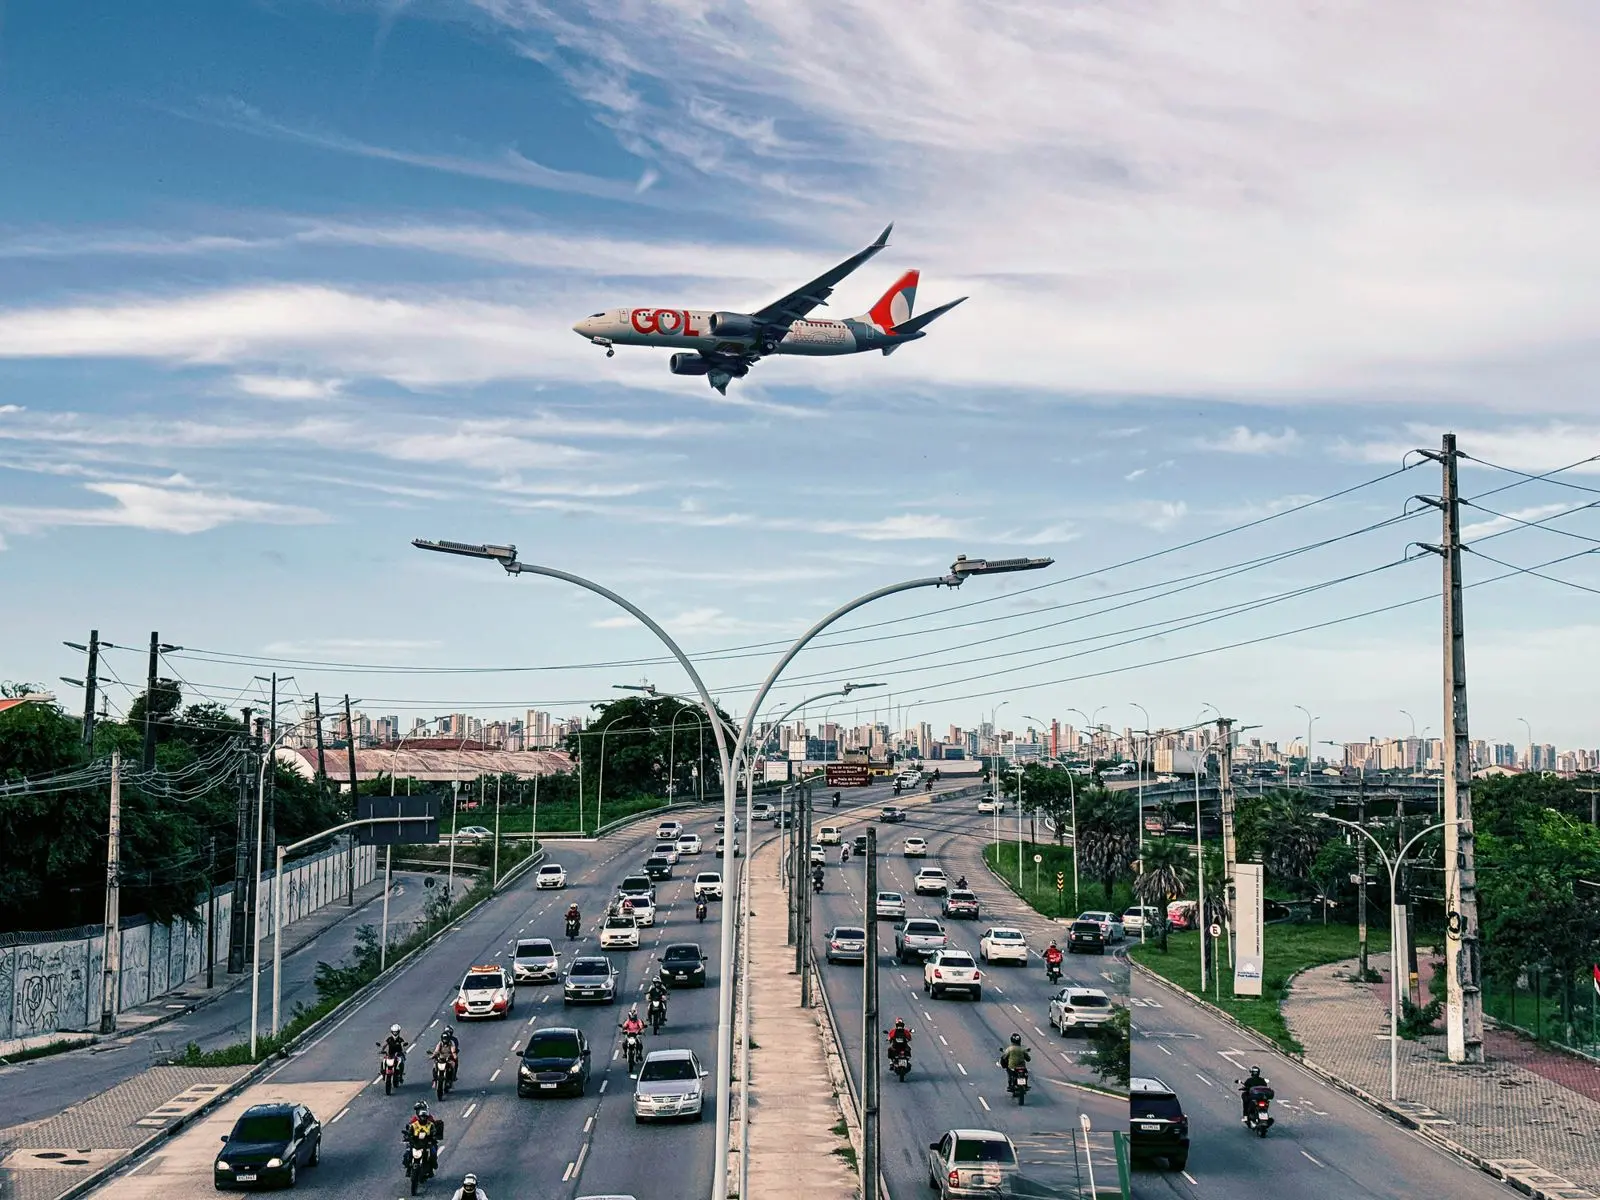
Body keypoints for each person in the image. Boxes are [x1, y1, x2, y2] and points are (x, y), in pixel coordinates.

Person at [404, 1100, 442, 1173]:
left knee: (433, 1151)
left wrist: (434, 1136)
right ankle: (408, 1166)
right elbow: (409, 1128)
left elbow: (434, 1128)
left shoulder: (429, 1119)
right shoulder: (414, 1120)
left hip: (427, 1142)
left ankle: (432, 1165)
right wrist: (407, 1135)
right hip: (416, 1142)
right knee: (408, 1152)